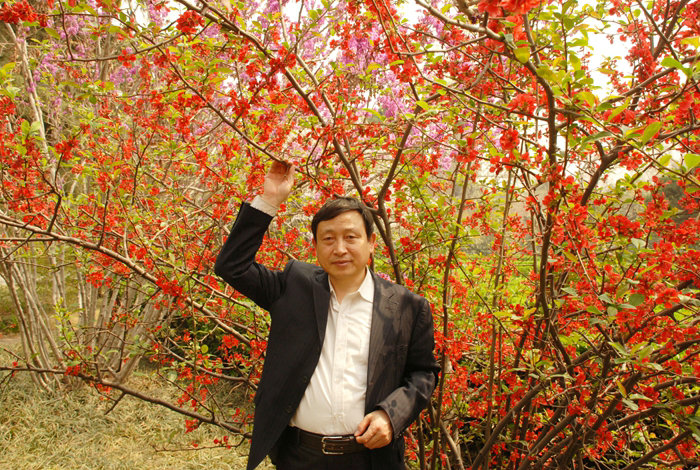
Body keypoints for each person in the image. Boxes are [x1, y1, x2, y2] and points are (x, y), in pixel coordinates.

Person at [214, 161, 440, 470]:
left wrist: (391, 415)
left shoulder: (406, 307)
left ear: (371, 244)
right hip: (300, 457)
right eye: (329, 239)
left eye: (351, 237)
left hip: (371, 460)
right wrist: (269, 201)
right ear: (316, 246)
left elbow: (423, 374)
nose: (340, 249)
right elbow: (233, 266)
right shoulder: (293, 286)